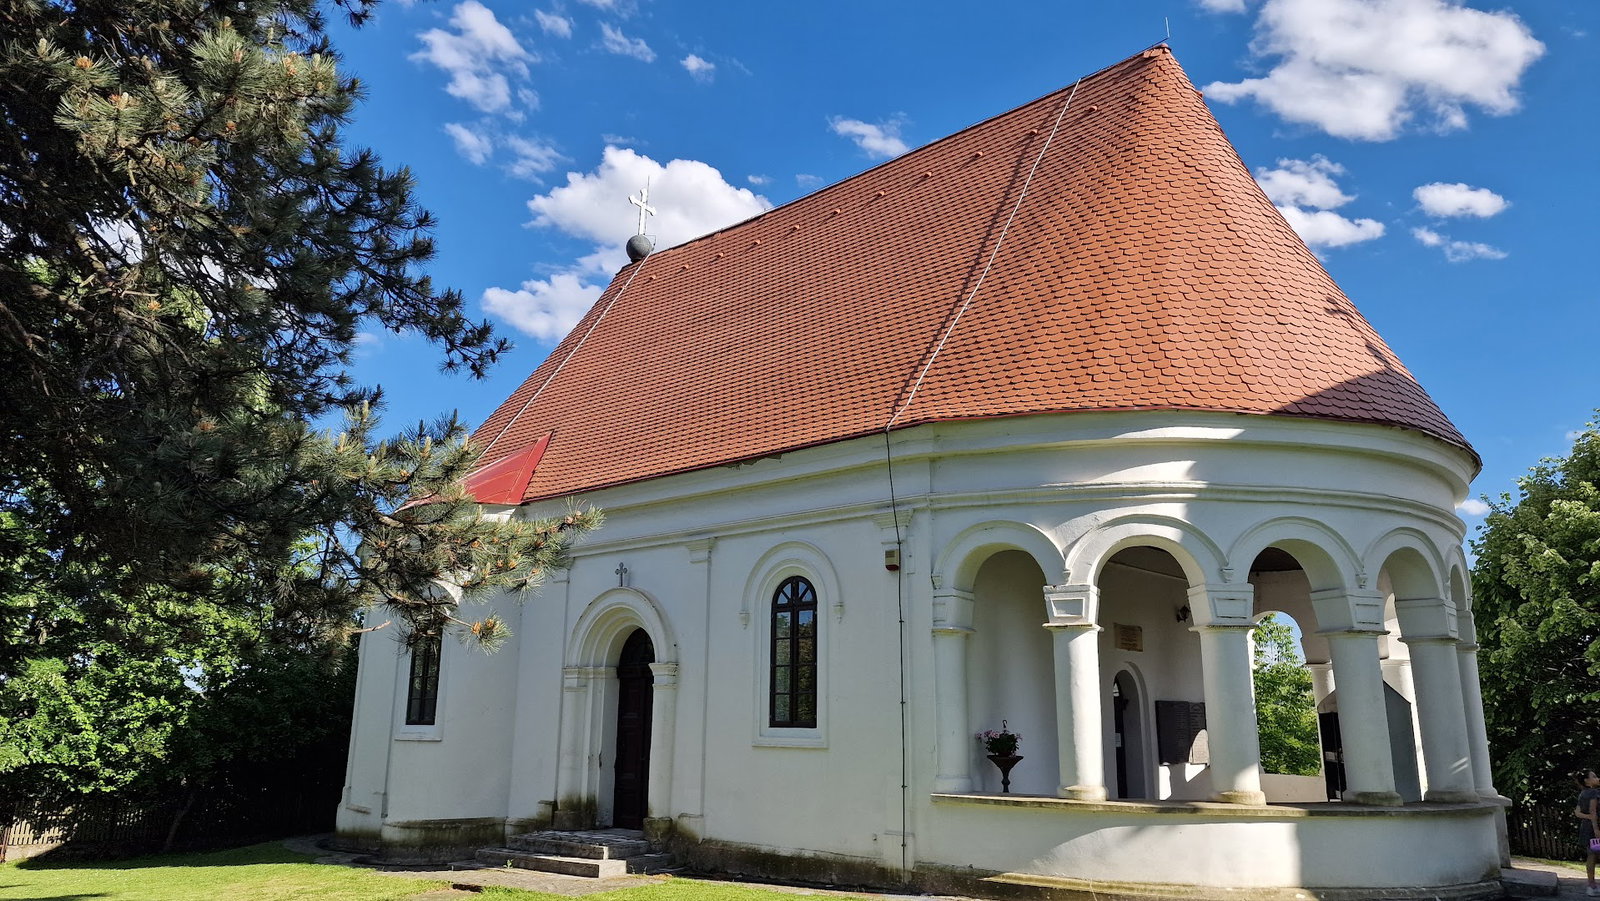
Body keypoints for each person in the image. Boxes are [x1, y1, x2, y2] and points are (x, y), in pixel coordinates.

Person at [1576, 769, 1600, 896]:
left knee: (1591, 855)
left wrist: (1589, 819)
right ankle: (1592, 886)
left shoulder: (1583, 793)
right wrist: (1596, 829)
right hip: (1595, 828)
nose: (1597, 778)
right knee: (1593, 855)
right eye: (1594, 776)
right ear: (1587, 780)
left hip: (1586, 827)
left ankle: (1591, 886)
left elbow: (1577, 813)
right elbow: (1593, 812)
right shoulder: (1593, 793)